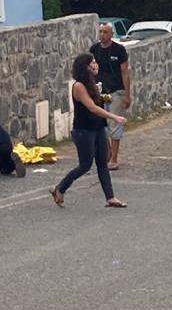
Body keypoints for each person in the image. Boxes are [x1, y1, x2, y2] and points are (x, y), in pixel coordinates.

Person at [49, 54, 128, 208]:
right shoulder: (78, 86)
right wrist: (115, 117)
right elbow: (92, 107)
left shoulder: (92, 83)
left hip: (97, 127)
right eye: (92, 62)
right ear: (85, 67)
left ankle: (110, 197)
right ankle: (60, 188)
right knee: (85, 165)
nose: (95, 64)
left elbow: (97, 103)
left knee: (102, 163)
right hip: (83, 130)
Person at [89, 23, 131, 171]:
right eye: (100, 32)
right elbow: (91, 70)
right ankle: (108, 152)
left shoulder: (119, 50)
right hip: (100, 92)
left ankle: (114, 159)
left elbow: (125, 72)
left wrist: (127, 94)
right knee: (102, 125)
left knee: (114, 125)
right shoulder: (94, 50)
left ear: (111, 34)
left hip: (116, 91)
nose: (102, 35)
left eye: (105, 32)